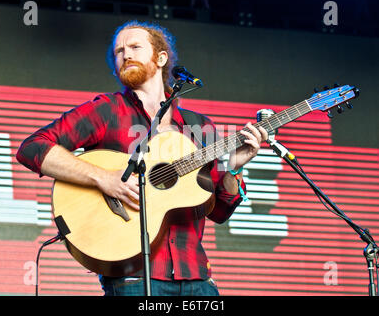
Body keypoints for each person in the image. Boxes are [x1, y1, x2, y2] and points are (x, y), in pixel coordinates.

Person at [16, 20, 268, 296]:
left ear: (161, 58)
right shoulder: (107, 111)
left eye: (135, 46)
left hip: (198, 279)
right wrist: (104, 178)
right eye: (119, 51)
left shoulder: (201, 127)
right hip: (132, 279)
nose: (126, 54)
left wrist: (234, 169)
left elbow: (220, 211)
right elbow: (32, 148)